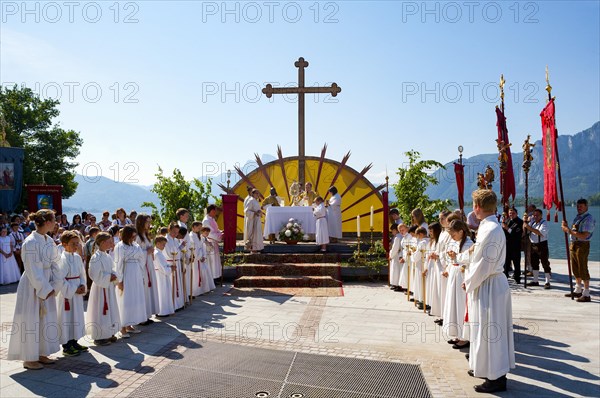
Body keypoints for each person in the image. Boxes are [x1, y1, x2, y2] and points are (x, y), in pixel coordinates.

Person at [8, 210, 60, 370]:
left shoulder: (49, 240)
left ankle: (42, 352)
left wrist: (55, 284)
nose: (56, 223)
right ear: (46, 221)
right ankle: (29, 357)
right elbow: (32, 268)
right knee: (31, 319)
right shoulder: (30, 242)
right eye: (53, 220)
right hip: (33, 284)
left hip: (48, 282)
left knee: (45, 320)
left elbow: (55, 263)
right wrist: (44, 288)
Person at [55, 231, 88, 357]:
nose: (76, 246)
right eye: (73, 244)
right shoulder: (61, 259)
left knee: (77, 316)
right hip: (67, 294)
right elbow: (60, 279)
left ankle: (75, 341)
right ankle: (66, 345)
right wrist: (74, 288)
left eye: (77, 243)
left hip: (77, 291)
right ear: (64, 244)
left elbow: (82, 273)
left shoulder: (77, 257)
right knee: (66, 318)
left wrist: (83, 285)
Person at [86, 232, 120, 345]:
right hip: (100, 288)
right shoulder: (96, 257)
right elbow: (94, 274)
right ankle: (100, 336)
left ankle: (109, 333)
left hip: (108, 287)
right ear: (102, 242)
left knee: (109, 309)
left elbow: (113, 268)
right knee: (101, 310)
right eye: (109, 241)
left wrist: (114, 275)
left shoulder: (107, 255)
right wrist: (108, 277)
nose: (111, 243)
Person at [444, 220, 473, 349]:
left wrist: (459, 261)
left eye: (453, 234)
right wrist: (448, 268)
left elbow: (471, 262)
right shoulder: (455, 242)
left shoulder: (469, 244)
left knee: (461, 305)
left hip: (462, 276)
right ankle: (456, 332)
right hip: (454, 275)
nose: (452, 237)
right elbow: (453, 259)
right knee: (453, 304)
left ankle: (464, 337)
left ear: (461, 231)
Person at [114, 225, 146, 338]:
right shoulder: (120, 246)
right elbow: (118, 264)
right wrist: (120, 280)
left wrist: (141, 275)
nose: (133, 238)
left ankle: (130, 324)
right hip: (127, 273)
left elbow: (142, 259)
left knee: (134, 298)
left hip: (136, 273)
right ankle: (122, 327)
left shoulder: (136, 245)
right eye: (132, 236)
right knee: (125, 299)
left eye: (134, 236)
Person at [562, 198, 595, 302]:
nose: (579, 208)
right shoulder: (578, 217)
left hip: (582, 244)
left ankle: (586, 293)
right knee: (575, 268)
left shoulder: (588, 219)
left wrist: (569, 231)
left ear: (586, 207)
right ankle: (578, 289)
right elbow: (574, 230)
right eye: (578, 206)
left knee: (583, 268)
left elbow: (584, 235)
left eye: (581, 206)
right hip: (574, 244)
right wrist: (567, 227)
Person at [136, 214, 159, 323]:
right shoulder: (137, 237)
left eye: (150, 222)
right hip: (143, 267)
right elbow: (136, 253)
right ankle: (142, 317)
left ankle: (147, 314)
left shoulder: (145, 235)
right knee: (144, 290)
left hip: (148, 265)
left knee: (149, 290)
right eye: (147, 222)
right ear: (141, 223)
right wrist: (147, 252)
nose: (150, 224)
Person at [523, 209, 551, 289]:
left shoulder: (544, 223)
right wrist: (525, 222)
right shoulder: (532, 223)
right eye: (534, 215)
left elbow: (540, 232)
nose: (535, 217)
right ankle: (535, 280)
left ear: (541, 215)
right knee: (534, 263)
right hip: (533, 245)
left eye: (537, 215)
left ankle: (547, 282)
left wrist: (528, 227)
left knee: (545, 263)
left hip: (542, 245)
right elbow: (525, 231)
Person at [153, 235, 175, 316]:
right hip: (160, 275)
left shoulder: (159, 253)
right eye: (163, 244)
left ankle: (165, 310)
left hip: (162, 275)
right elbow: (162, 267)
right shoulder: (157, 254)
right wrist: (170, 269)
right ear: (157, 243)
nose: (164, 246)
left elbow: (164, 265)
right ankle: (162, 311)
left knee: (164, 292)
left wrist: (170, 267)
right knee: (162, 292)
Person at [502, 208, 523, 284]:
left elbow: (515, 233)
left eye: (513, 213)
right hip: (507, 245)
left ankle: (517, 278)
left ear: (516, 213)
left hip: (515, 245)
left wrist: (506, 227)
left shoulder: (520, 222)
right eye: (510, 213)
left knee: (516, 263)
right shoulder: (507, 221)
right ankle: (505, 277)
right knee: (506, 262)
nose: (511, 214)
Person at [202, 205, 223, 280]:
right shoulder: (206, 220)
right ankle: (211, 279)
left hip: (214, 242)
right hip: (210, 243)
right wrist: (220, 236)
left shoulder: (212, 219)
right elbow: (210, 233)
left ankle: (215, 278)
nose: (216, 213)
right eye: (215, 211)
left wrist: (220, 232)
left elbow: (215, 230)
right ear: (211, 211)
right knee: (212, 262)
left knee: (215, 262)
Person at [388, 224, 402, 290]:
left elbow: (395, 248)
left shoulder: (397, 237)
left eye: (392, 231)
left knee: (396, 271)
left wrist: (391, 255)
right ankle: (396, 284)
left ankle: (396, 284)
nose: (392, 232)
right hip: (398, 255)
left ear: (395, 230)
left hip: (396, 256)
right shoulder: (400, 236)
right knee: (397, 270)